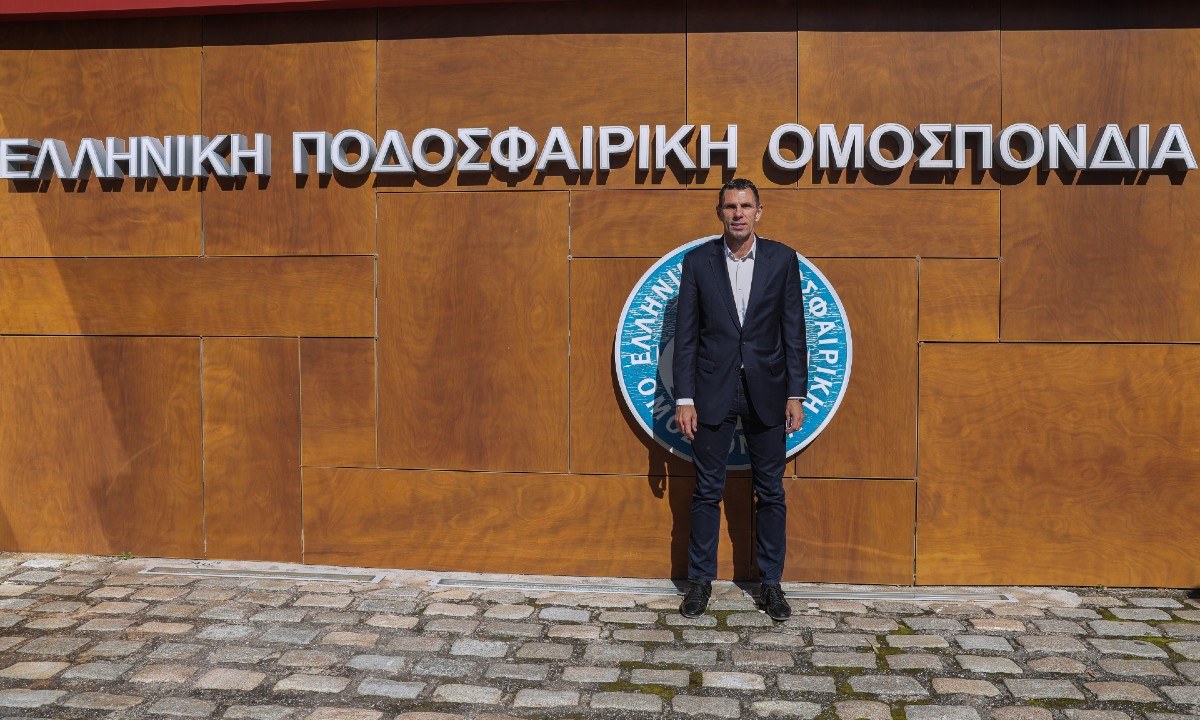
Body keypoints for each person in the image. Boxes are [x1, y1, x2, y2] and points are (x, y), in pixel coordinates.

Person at [672, 177, 807, 621]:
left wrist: (795, 393)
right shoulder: (698, 263)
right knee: (706, 491)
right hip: (713, 391)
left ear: (759, 212)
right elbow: (686, 336)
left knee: (770, 492)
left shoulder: (782, 259)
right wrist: (685, 397)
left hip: (768, 391)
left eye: (746, 206)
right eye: (730, 206)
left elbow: (793, 329)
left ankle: (771, 585)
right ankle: (699, 583)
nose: (738, 214)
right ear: (720, 213)